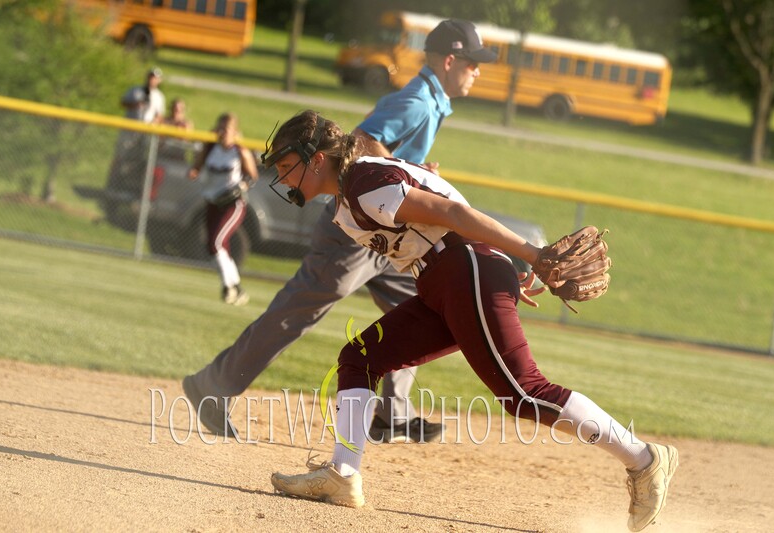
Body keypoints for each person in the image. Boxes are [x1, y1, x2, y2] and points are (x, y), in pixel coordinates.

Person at [265, 110, 679, 533]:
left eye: (286, 166)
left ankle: (645, 459)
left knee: (523, 393)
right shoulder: (356, 187)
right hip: (445, 281)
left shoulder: (364, 185)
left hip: (462, 270)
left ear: (316, 159)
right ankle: (343, 476)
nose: (283, 178)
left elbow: (455, 216)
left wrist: (529, 256)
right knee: (360, 358)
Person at [182, 19, 497, 442]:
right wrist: (408, 172)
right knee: (298, 310)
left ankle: (393, 415)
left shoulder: (430, 101)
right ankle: (213, 387)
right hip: (356, 230)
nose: (477, 71)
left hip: (384, 233)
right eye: (473, 63)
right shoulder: (419, 100)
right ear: (450, 60)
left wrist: (411, 170)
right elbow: (363, 141)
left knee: (421, 307)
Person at [188, 113, 258, 305]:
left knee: (216, 242)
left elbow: (252, 175)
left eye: (226, 129)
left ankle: (228, 287)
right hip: (212, 202)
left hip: (232, 203)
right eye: (219, 128)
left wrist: (242, 186)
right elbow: (196, 166)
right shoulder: (210, 147)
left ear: (235, 132)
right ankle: (237, 288)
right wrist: (194, 171)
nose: (221, 133)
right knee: (217, 248)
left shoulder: (239, 151)